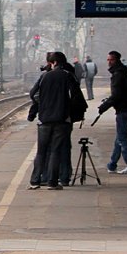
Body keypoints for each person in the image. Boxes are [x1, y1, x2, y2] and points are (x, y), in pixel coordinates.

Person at [28, 52, 82, 190]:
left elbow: (33, 94)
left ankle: (35, 181)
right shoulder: (67, 76)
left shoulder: (44, 76)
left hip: (44, 119)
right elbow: (76, 97)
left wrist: (44, 104)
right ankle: (52, 182)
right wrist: (66, 108)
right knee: (55, 151)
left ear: (55, 62)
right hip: (61, 120)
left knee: (41, 151)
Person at [98, 50, 127, 174]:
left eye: (112, 60)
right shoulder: (122, 71)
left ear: (117, 60)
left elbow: (116, 95)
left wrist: (104, 106)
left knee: (122, 138)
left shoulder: (118, 74)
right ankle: (112, 164)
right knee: (119, 138)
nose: (109, 62)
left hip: (124, 109)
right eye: (108, 59)